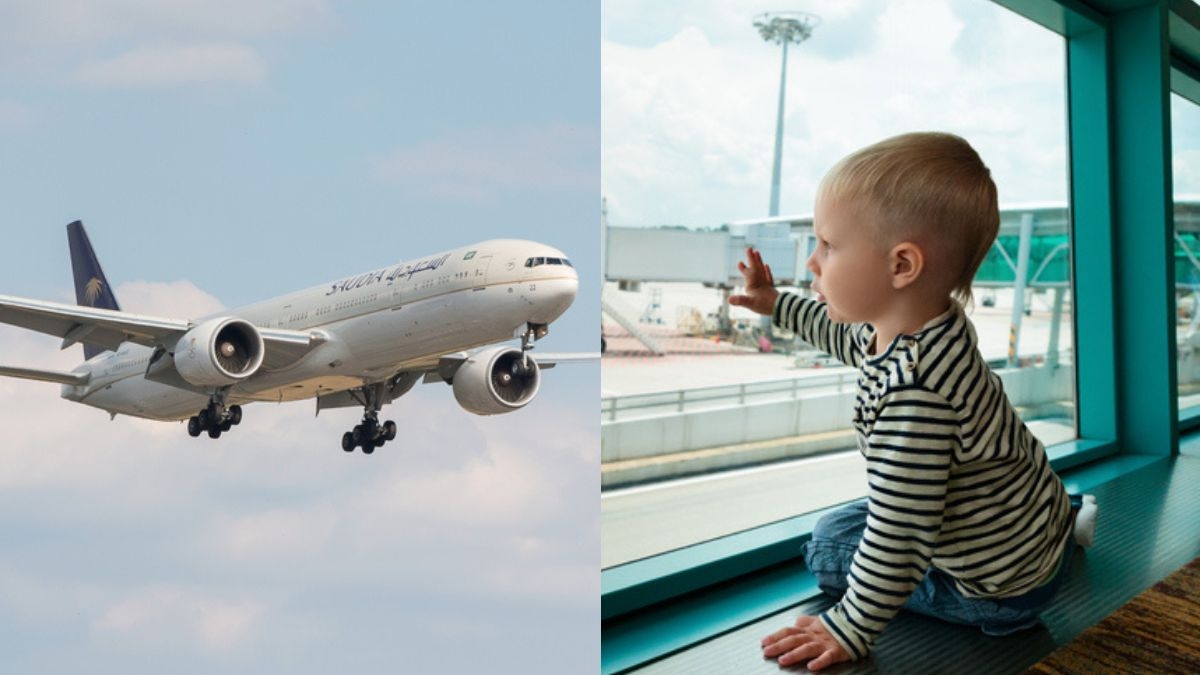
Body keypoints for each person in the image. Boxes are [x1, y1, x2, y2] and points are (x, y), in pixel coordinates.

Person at [729, 132, 1097, 671]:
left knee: (829, 545)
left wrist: (849, 626)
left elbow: (899, 535)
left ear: (901, 266)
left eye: (828, 246)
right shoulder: (933, 327)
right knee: (871, 518)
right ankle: (1062, 529)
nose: (813, 262)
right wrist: (775, 304)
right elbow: (842, 337)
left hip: (995, 589)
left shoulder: (917, 395)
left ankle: (1014, 601)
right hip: (1031, 520)